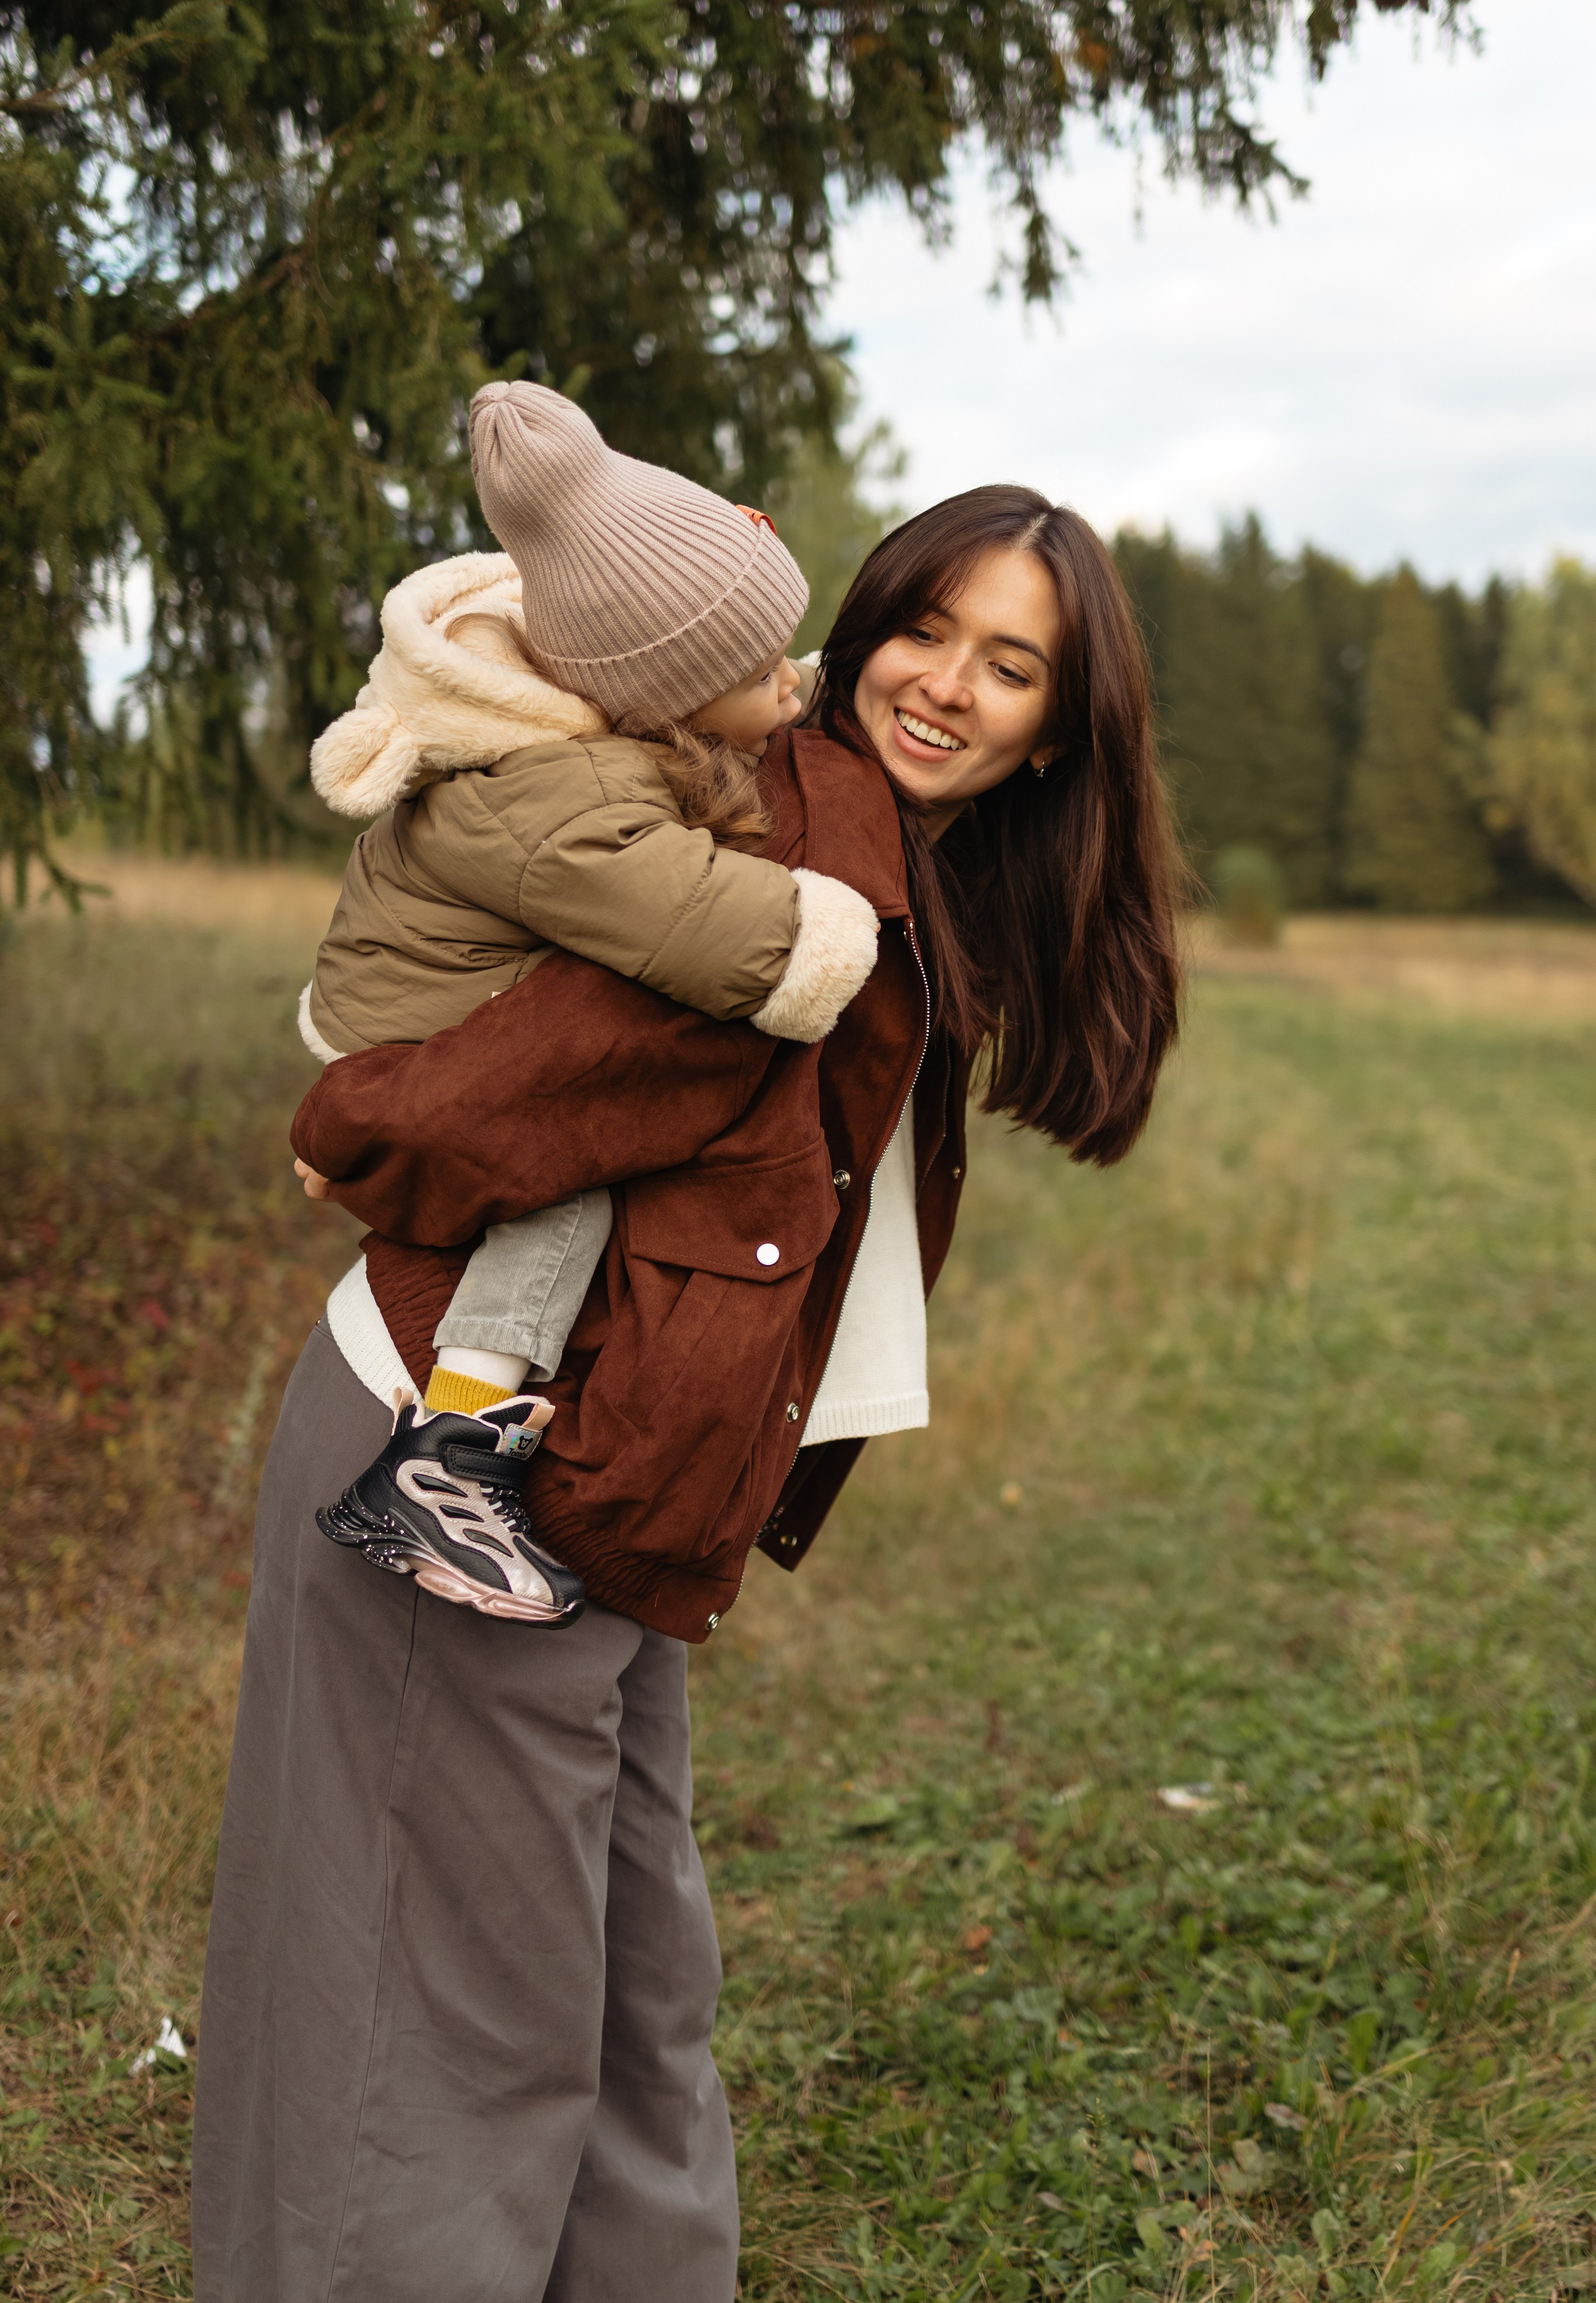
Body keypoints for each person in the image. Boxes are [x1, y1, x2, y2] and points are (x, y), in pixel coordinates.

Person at [191, 484, 1184, 2303]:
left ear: (1063, 733)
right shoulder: (802, 869)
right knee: (431, 2052)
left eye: (1012, 662)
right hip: (458, 1466)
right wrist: (358, 1134)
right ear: (863, 624)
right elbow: (544, 1074)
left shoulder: (904, 878)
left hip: (618, 1500)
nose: (949, 683)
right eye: (926, 628)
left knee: (637, 2014)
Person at [297, 382, 879, 1620]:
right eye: (756, 670)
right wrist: (826, 926)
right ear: (663, 703)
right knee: (563, 1165)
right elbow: (719, 932)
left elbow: (725, 720)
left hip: (428, 984)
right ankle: (444, 1458)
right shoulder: (561, 805)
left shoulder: (600, 725)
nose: (785, 683)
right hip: (416, 1028)